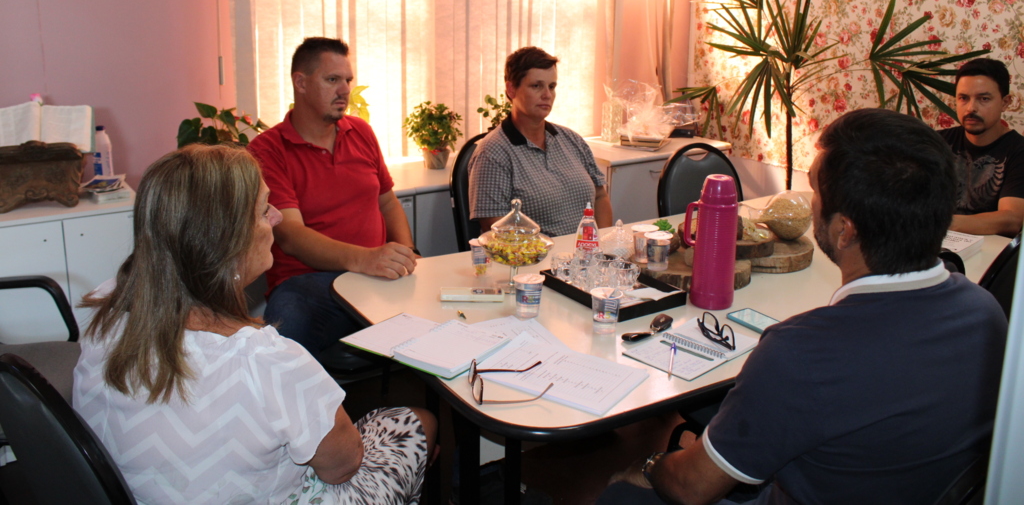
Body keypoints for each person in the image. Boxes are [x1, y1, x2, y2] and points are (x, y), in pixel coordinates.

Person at [601, 108, 1007, 505]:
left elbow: (692, 487)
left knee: (619, 492)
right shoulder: (985, 311)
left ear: (844, 231)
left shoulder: (803, 353)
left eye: (815, 191)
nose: (809, 203)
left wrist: (651, 463)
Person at [73, 145, 436, 505]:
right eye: (264, 210)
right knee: (416, 421)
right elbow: (343, 464)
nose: (277, 217)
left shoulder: (104, 311)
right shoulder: (265, 361)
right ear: (226, 241)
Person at [248, 37, 418, 358]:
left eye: (348, 80)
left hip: (375, 276)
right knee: (284, 339)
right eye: (332, 80)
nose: (345, 90)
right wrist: (365, 259)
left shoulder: (361, 132)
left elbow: (387, 202)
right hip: (309, 285)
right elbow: (291, 237)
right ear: (300, 82)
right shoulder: (267, 150)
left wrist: (406, 253)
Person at [468, 46, 612, 237]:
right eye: (536, 86)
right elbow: (495, 229)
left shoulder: (571, 139)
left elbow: (600, 197)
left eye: (551, 87)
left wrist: (599, 246)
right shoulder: (493, 152)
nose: (547, 95)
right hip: (536, 260)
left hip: (587, 254)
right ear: (511, 89)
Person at [939, 57, 1024, 236]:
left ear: (1005, 102)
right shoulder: (938, 142)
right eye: (963, 98)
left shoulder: (1018, 150)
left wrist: (941, 222)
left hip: (991, 254)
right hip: (938, 247)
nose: (971, 108)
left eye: (984, 98)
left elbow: (1011, 220)